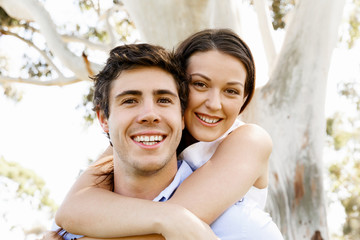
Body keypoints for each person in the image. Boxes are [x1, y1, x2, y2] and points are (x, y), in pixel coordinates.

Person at [47, 29, 283, 239]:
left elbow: (176, 225)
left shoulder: (249, 141)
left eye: (231, 91)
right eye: (200, 84)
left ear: (245, 99)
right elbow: (71, 209)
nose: (214, 103)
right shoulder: (143, 136)